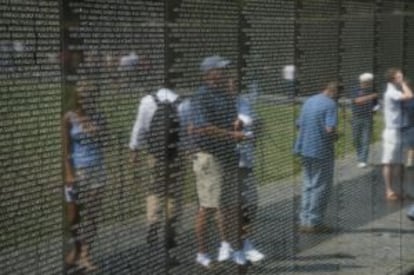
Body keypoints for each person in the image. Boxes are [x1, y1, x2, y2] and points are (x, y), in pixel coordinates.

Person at [190, 56, 246, 267]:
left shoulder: (225, 95)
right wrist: (232, 136)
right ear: (209, 73)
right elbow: (204, 127)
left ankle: (226, 245)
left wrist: (236, 124)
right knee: (208, 207)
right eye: (221, 69)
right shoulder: (201, 96)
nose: (225, 72)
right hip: (210, 157)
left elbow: (229, 121)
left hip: (228, 155)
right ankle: (202, 253)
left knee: (228, 205)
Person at [129, 87, 183, 263]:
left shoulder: (147, 100)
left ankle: (153, 221)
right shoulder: (181, 102)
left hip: (154, 154)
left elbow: (139, 127)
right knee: (172, 195)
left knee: (154, 189)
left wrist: (134, 150)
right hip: (174, 155)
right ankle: (170, 233)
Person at [62, 81, 107, 271]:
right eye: (83, 95)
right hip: (77, 171)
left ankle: (86, 255)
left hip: (97, 170)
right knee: (74, 216)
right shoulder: (68, 118)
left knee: (91, 215)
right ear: (78, 98)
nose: (87, 99)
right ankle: (76, 248)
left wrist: (98, 133)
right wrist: (69, 174)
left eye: (90, 95)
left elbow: (108, 142)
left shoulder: (99, 117)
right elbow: (65, 150)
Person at [294, 81, 339, 233]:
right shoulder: (331, 104)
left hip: (304, 148)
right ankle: (315, 221)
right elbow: (329, 129)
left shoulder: (309, 100)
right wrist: (336, 135)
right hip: (321, 150)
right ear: (335, 93)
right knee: (320, 186)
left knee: (307, 184)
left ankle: (304, 220)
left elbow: (299, 124)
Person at [235, 95, 265, 263]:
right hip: (230, 164)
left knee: (251, 204)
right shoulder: (214, 101)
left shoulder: (244, 101)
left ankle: (244, 242)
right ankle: (240, 245)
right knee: (235, 207)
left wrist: (257, 128)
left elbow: (256, 127)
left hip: (246, 162)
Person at [381, 68, 413, 201]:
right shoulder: (391, 93)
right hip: (392, 132)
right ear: (393, 79)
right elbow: (410, 95)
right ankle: (389, 190)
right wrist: (404, 84)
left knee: (399, 162)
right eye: (399, 77)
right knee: (388, 162)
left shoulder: (395, 91)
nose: (402, 78)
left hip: (400, 130)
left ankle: (400, 189)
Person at [351, 73, 378, 168]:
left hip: (367, 118)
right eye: (369, 82)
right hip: (356, 117)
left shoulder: (372, 90)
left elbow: (375, 104)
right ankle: (360, 157)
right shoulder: (356, 89)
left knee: (366, 139)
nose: (370, 84)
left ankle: (363, 160)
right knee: (356, 139)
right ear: (364, 82)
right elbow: (357, 101)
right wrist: (371, 96)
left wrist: (375, 109)